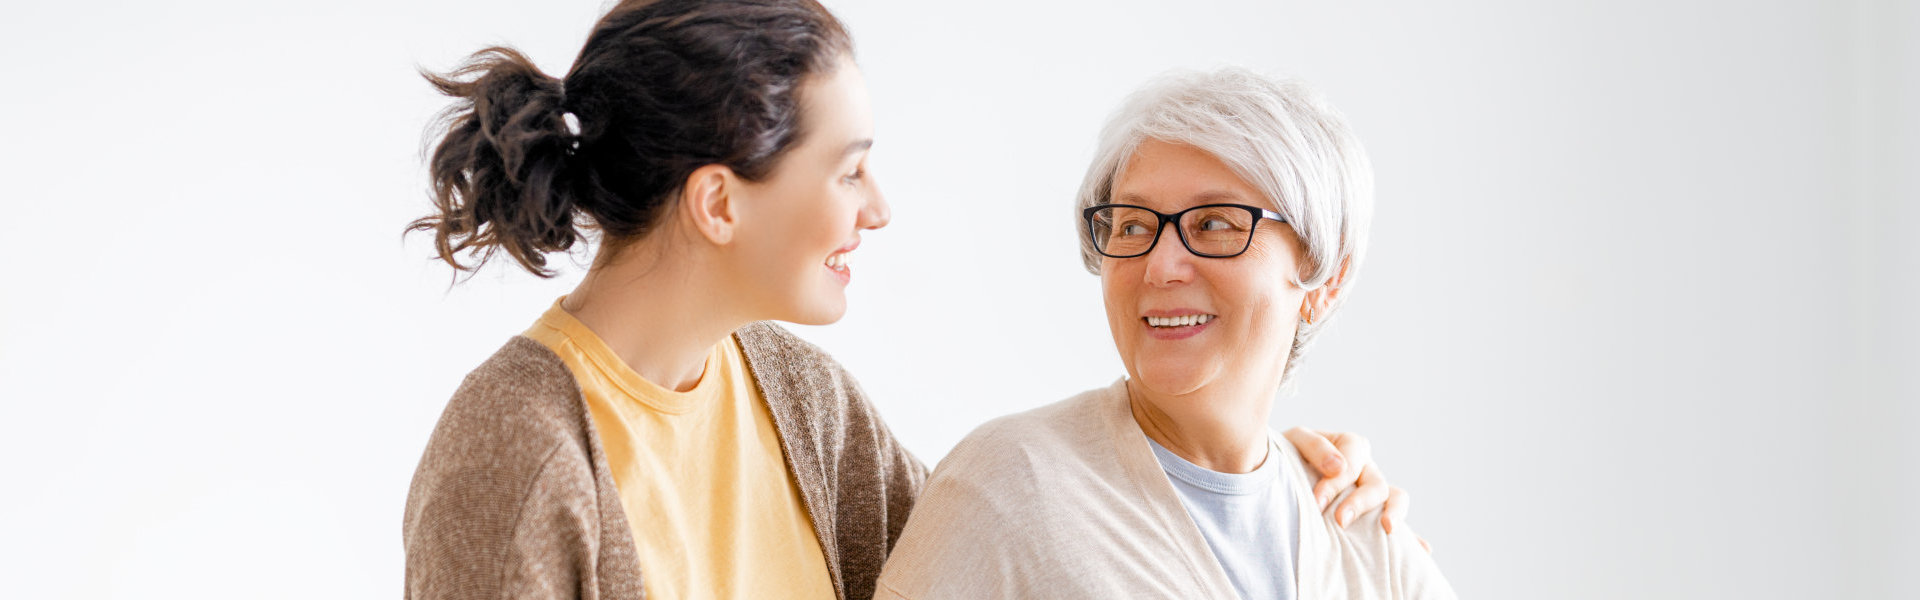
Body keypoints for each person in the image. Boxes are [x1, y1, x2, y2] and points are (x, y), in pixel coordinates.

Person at [402, 2, 1414, 598]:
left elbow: (1034, 541)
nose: (877, 209)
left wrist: (1270, 471)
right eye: (848, 171)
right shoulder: (523, 452)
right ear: (718, 202)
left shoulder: (799, 400)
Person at [875, 68, 1454, 599]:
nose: (1160, 265)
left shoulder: (1366, 536)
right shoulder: (1009, 487)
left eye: (1213, 223)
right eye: (1133, 225)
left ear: (1325, 276)